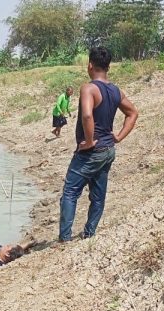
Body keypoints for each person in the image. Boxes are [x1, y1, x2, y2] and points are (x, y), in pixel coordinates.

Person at [59, 46, 139, 243]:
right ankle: (89, 234)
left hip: (91, 151)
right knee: (98, 195)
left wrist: (87, 140)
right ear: (108, 67)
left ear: (90, 65)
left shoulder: (89, 88)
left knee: (70, 193)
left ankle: (65, 238)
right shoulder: (115, 90)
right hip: (108, 150)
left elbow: (87, 114)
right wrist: (119, 137)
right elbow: (133, 113)